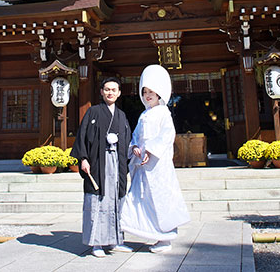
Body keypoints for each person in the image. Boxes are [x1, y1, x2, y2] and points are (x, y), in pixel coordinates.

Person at [121, 64, 190, 253]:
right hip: (142, 165)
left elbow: (167, 136)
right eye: (145, 92)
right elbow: (136, 136)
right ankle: (151, 234)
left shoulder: (163, 113)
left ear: (159, 93)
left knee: (159, 199)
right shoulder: (144, 114)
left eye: (151, 91)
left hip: (157, 166)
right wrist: (134, 147)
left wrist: (150, 150)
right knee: (140, 198)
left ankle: (165, 238)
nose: (148, 95)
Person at [70, 77, 133, 258]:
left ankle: (116, 241)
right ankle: (96, 243)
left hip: (117, 163)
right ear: (101, 92)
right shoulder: (93, 112)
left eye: (114, 90)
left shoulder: (122, 116)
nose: (110, 92)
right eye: (107, 89)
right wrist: (83, 158)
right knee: (97, 201)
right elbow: (82, 137)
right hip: (98, 163)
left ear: (119, 93)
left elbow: (128, 140)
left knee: (116, 200)